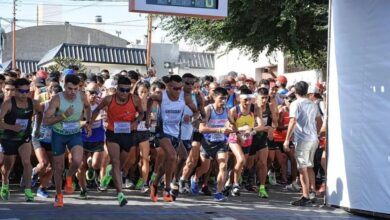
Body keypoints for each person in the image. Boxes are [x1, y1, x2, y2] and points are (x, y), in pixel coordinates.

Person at [90, 76, 143, 206]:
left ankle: (110, 172)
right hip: (112, 133)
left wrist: (136, 122)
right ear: (117, 88)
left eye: (127, 90)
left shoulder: (135, 99)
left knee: (121, 166)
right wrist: (89, 122)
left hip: (128, 134)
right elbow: (96, 109)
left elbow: (141, 113)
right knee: (115, 161)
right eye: (122, 90)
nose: (125, 93)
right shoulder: (109, 99)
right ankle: (120, 194)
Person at [146, 75, 199, 202]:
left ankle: (154, 184)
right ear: (169, 87)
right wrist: (148, 116)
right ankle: (167, 188)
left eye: (181, 88)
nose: (179, 90)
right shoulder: (161, 96)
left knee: (180, 158)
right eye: (176, 88)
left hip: (176, 133)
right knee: (172, 157)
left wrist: (192, 119)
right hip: (162, 132)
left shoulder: (185, 97)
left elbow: (196, 112)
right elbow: (149, 99)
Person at [43, 74, 92, 207]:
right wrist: (64, 115)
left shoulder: (81, 96)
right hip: (58, 134)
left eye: (75, 89)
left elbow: (87, 107)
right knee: (58, 168)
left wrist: (88, 123)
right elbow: (46, 121)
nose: (73, 92)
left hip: (74, 133)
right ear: (64, 86)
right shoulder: (56, 99)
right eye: (70, 89)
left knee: (77, 161)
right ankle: (59, 196)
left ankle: (69, 177)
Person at [0, 78, 42, 202]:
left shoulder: (33, 103)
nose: (24, 94)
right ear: (16, 91)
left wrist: (37, 128)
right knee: (8, 166)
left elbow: (40, 113)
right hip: (9, 138)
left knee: (27, 162)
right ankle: (5, 183)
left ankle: (28, 190)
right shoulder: (8, 103)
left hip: (24, 137)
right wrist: (12, 127)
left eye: (27, 91)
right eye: (21, 91)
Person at [283, 81, 323, 206]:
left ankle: (305, 196)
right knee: (309, 166)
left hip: (303, 140)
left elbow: (292, 121)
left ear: (295, 91)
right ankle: (312, 193)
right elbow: (319, 120)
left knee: (302, 168)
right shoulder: (312, 104)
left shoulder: (295, 103)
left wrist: (287, 139)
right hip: (313, 139)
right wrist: (316, 133)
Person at [191, 87, 233, 201]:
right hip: (208, 142)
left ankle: (219, 193)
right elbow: (201, 129)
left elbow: (232, 124)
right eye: (221, 99)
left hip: (222, 142)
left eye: (225, 99)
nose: (223, 101)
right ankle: (195, 178)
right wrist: (219, 130)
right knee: (205, 168)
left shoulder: (227, 110)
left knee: (223, 166)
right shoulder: (208, 109)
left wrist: (232, 128)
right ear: (214, 97)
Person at [32, 84, 63, 199]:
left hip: (53, 140)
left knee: (52, 167)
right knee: (44, 163)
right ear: (49, 95)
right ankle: (34, 171)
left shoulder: (62, 109)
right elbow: (30, 116)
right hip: (38, 138)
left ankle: (42, 188)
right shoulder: (42, 106)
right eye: (53, 97)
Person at [77, 82, 106, 199]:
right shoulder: (80, 105)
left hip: (98, 136)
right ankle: (83, 189)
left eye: (97, 93)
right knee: (81, 165)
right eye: (91, 92)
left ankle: (91, 167)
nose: (94, 95)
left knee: (96, 164)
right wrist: (89, 121)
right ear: (86, 92)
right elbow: (76, 124)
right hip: (82, 137)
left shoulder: (101, 105)